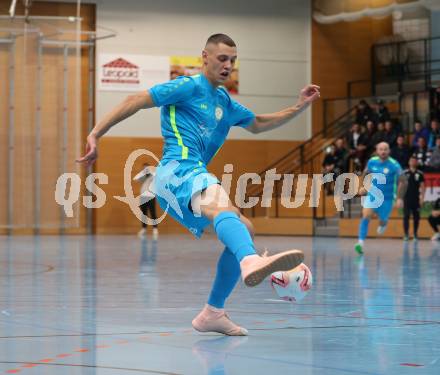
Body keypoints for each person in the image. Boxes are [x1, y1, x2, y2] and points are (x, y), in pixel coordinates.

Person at [76, 34, 319, 336]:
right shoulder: (188, 87)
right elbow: (134, 100)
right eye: (222, 58)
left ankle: (212, 313)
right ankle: (250, 261)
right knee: (222, 205)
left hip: (184, 181)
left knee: (245, 230)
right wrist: (96, 133)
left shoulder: (225, 103)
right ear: (205, 57)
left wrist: (299, 107)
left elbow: (258, 124)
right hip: (177, 170)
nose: (228, 65)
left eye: (233, 60)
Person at [354, 142, 404, 254]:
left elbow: (403, 181)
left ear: (389, 151)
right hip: (373, 195)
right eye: (381, 149)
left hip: (387, 198)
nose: (383, 151)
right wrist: (363, 186)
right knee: (366, 215)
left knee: (382, 221)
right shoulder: (372, 162)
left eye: (385, 149)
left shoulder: (394, 164)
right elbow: (365, 173)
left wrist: (400, 198)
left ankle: (383, 224)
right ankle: (360, 243)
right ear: (377, 151)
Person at [401, 156, 425, 241]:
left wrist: (422, 198)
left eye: (415, 161)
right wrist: (399, 198)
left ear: (417, 163)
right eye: (411, 161)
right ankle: (406, 235)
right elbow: (401, 186)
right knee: (406, 216)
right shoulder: (405, 173)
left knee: (416, 217)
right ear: (409, 162)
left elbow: (422, 187)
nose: (413, 162)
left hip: (416, 199)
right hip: (407, 198)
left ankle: (415, 234)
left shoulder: (420, 173)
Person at [133, 162, 159, 239]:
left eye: (146, 168)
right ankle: (144, 228)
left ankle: (155, 229)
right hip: (143, 197)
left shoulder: (153, 176)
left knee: (152, 213)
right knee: (144, 214)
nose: (145, 169)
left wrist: (151, 171)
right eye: (144, 168)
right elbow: (135, 179)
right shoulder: (142, 177)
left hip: (151, 196)